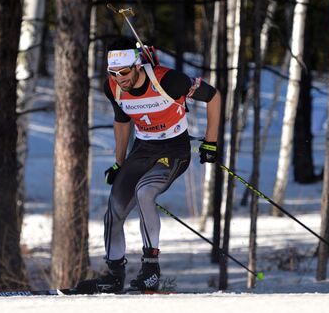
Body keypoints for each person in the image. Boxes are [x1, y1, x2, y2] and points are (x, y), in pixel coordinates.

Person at [75, 36, 221, 293]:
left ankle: (151, 269)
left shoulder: (169, 80)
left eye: (124, 72)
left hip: (174, 150)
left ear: (137, 66)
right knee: (114, 209)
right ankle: (114, 275)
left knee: (145, 191)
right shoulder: (113, 87)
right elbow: (122, 121)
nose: (120, 78)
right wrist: (119, 163)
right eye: (113, 72)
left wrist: (211, 142)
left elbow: (214, 97)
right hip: (143, 149)